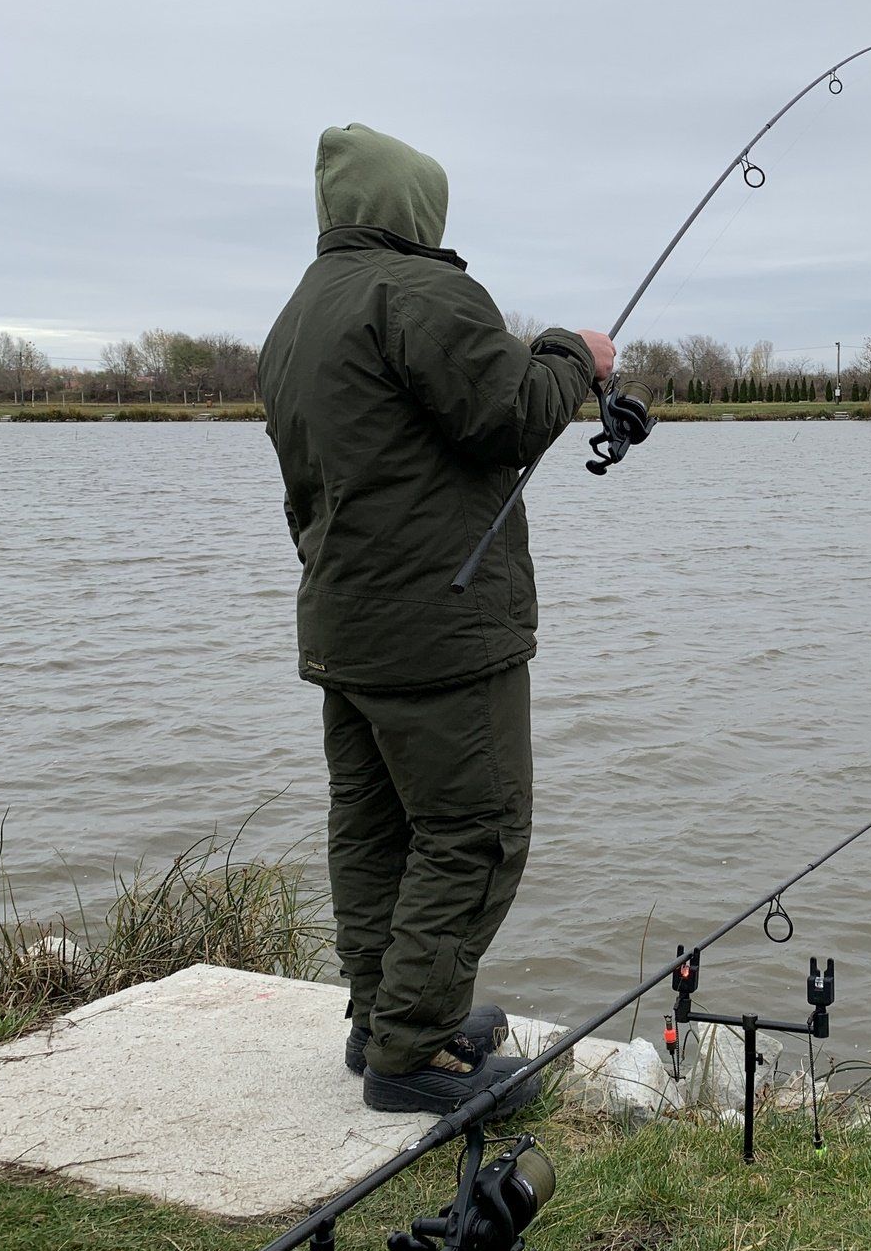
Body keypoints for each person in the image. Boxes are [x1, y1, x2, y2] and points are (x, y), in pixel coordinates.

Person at [258, 123, 615, 1114]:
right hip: (443, 632)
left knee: (372, 832)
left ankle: (382, 1018)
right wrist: (573, 354)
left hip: (346, 628)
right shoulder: (421, 291)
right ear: (413, 209)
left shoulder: (298, 317)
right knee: (478, 829)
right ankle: (410, 1052)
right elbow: (505, 411)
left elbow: (311, 488)